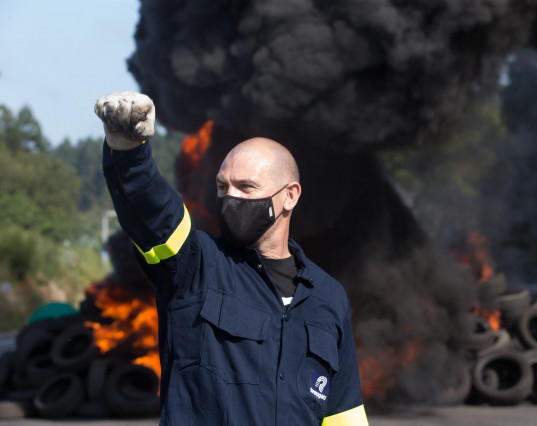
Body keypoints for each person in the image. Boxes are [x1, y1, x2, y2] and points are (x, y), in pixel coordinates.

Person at [95, 91, 369, 426]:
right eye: (223, 187)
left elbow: (344, 415)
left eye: (245, 187)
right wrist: (127, 150)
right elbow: (154, 212)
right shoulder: (194, 267)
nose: (230, 198)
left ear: (289, 196)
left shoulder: (328, 297)